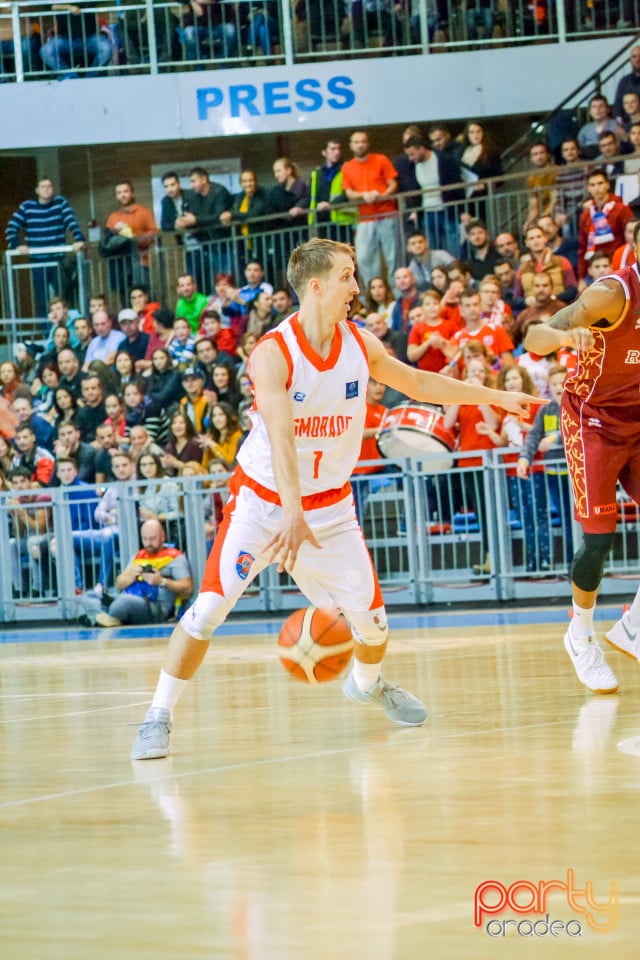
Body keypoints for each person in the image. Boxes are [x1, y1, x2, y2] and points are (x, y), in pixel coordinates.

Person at [129, 237, 542, 760]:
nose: (355, 287)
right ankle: (157, 716)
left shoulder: (360, 343)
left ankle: (368, 684)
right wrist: (292, 513)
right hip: (262, 505)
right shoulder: (273, 354)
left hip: (330, 508)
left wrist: (497, 396)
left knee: (372, 625)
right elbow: (280, 437)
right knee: (208, 609)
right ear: (317, 285)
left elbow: (415, 381)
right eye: (347, 276)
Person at [523, 220, 640, 695]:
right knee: (598, 540)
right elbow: (535, 338)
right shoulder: (613, 295)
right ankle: (581, 633)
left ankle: (632, 627)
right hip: (591, 419)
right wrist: (564, 337)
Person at [5, 176, 85, 318]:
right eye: (43, 187)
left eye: (49, 186)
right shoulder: (27, 207)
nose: (47, 190)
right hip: (37, 261)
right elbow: (11, 228)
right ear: (37, 190)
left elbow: (71, 221)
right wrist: (17, 246)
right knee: (42, 298)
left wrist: (79, 238)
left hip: (57, 260)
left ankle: (63, 330)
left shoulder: (60, 203)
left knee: (61, 297)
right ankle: (46, 332)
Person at [96, 519, 193, 628]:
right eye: (144, 539)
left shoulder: (175, 557)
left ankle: (108, 615)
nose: (148, 543)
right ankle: (111, 616)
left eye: (152, 539)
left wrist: (162, 581)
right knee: (91, 597)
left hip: (155, 607)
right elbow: (119, 583)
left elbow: (188, 588)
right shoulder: (138, 556)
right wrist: (132, 575)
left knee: (124, 601)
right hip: (132, 596)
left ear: (162, 537)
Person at [341, 130, 399, 289]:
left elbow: (393, 184)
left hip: (387, 213)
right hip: (365, 217)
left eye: (363, 141)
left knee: (393, 257)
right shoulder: (347, 167)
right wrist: (364, 195)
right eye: (356, 142)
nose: (360, 145)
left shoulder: (381, 160)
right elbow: (349, 193)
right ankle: (372, 297)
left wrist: (380, 196)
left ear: (368, 143)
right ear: (351, 145)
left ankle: (397, 294)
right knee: (365, 258)